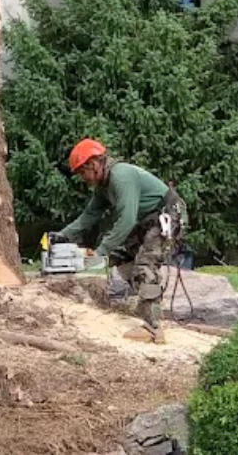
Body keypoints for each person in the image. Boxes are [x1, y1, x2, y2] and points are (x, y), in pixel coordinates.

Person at [49, 138, 187, 344]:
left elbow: (127, 219)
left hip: (166, 216)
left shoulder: (120, 177)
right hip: (147, 220)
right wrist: (64, 235)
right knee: (121, 258)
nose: (82, 178)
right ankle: (146, 305)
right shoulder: (103, 185)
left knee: (145, 264)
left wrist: (101, 251)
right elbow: (90, 214)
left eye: (82, 172)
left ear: (93, 164)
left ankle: (154, 328)